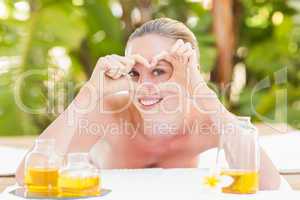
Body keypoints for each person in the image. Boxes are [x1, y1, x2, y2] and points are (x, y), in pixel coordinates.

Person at [16, 18, 281, 190]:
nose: (145, 86)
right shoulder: (110, 111)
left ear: (189, 71)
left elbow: (268, 184)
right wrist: (88, 93)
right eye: (135, 72)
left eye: (159, 71)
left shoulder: (206, 119)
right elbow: (25, 180)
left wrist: (200, 90)